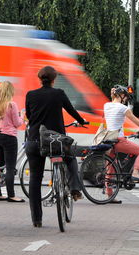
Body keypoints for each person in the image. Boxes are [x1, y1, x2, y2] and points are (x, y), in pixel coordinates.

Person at [25, 66, 85, 228]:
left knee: (35, 178)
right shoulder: (59, 93)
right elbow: (71, 111)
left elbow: (29, 117)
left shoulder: (31, 95)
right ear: (54, 79)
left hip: (35, 141)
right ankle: (74, 188)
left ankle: (37, 219)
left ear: (40, 79)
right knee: (70, 158)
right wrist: (81, 121)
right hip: (56, 142)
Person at [104, 85, 139, 202]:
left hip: (109, 140)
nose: (125, 99)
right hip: (119, 140)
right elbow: (137, 121)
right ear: (121, 95)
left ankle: (109, 195)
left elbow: (112, 122)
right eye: (125, 96)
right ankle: (135, 173)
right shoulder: (123, 108)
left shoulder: (106, 106)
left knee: (111, 168)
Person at [0, 81, 25, 202]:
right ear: (10, 92)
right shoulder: (11, 105)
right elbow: (17, 123)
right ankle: (11, 195)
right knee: (10, 167)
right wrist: (23, 116)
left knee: (0, 167)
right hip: (9, 137)